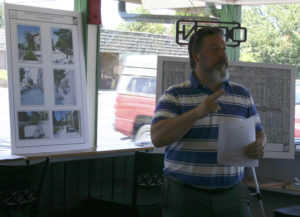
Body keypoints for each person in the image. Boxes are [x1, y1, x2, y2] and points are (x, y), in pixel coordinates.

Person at [150, 27, 266, 217]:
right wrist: (197, 113)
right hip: (186, 196)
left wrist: (260, 144)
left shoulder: (241, 94)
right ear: (196, 56)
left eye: (224, 49)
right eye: (214, 49)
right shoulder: (175, 95)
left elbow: (259, 132)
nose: (223, 54)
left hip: (233, 194)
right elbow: (157, 138)